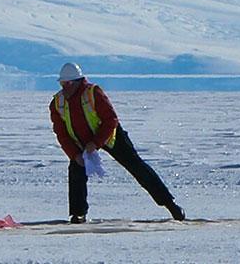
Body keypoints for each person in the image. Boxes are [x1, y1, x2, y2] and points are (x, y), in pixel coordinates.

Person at [50, 62, 184, 224]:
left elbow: (111, 119)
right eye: (62, 84)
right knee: (76, 170)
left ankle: (170, 204)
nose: (64, 88)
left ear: (76, 82)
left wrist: (96, 142)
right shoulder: (58, 103)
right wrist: (75, 154)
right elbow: (62, 133)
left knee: (136, 165)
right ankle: (78, 214)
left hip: (108, 135)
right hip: (81, 142)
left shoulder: (93, 93)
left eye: (67, 84)